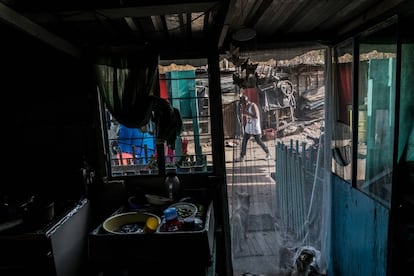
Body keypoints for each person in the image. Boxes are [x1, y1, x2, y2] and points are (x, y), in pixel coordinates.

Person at [235, 95, 271, 162]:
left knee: (259, 141)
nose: (242, 105)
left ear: (246, 101)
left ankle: (268, 153)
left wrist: (248, 114)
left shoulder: (253, 106)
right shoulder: (246, 107)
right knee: (244, 141)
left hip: (254, 127)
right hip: (249, 127)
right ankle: (242, 156)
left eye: (243, 103)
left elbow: (256, 116)